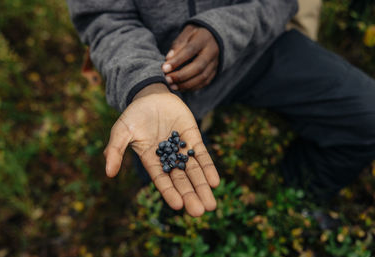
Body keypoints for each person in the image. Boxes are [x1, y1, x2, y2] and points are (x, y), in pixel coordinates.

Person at [67, 0, 375, 217]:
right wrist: (146, 85)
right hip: (157, 71)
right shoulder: (151, 82)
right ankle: (178, 233)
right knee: (173, 189)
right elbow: (104, 18)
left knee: (366, 114)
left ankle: (291, 203)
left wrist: (223, 33)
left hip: (254, 47)